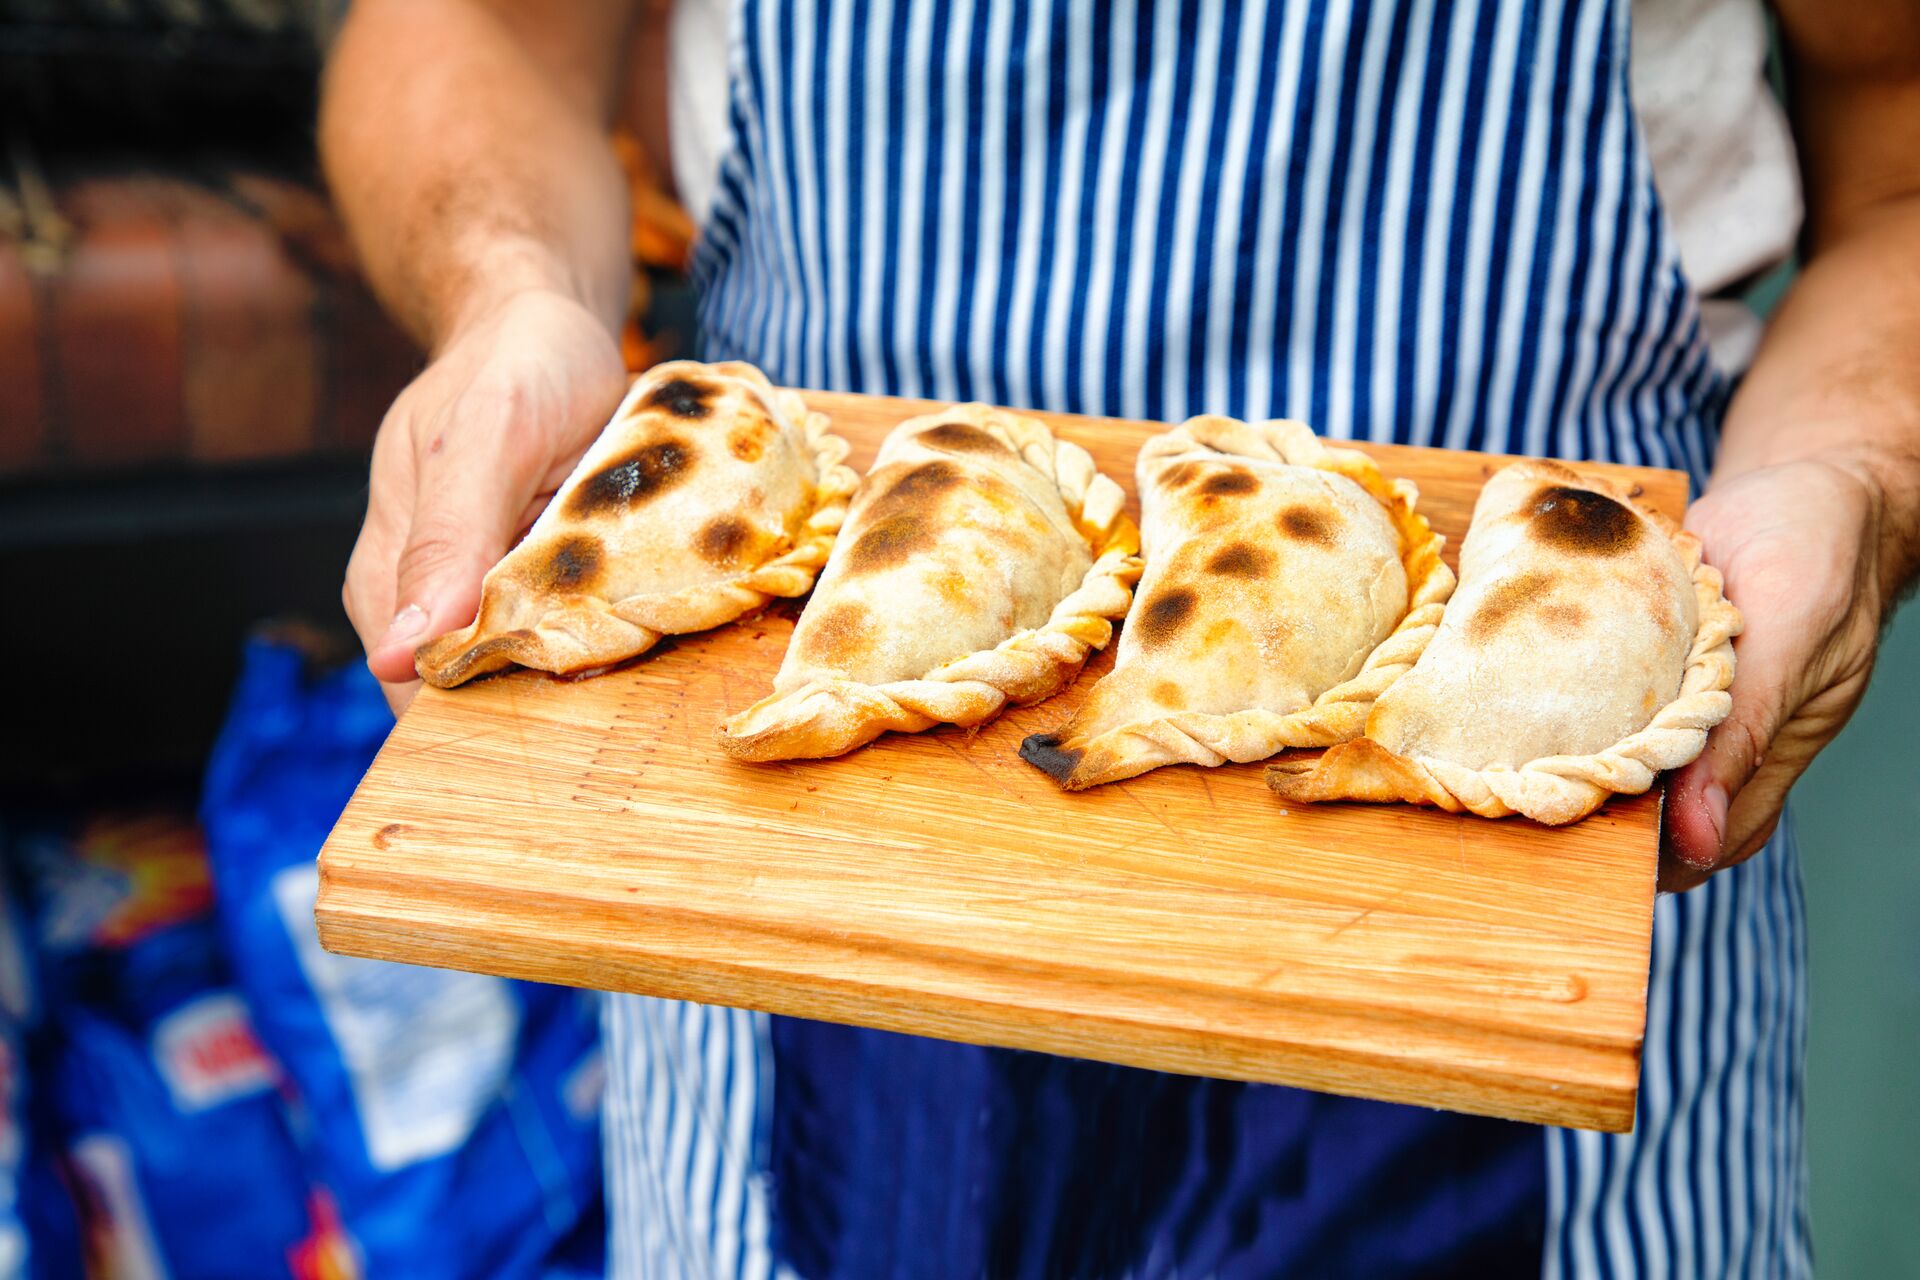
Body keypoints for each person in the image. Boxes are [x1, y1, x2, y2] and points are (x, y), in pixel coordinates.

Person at [319, 0, 1920, 1274]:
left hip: (1533, 934)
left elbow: (1899, 152)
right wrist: (510, 291)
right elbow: (483, 28)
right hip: (783, 915)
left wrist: (1847, 470)